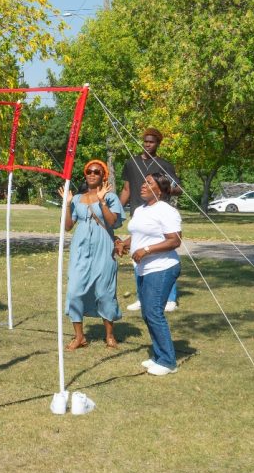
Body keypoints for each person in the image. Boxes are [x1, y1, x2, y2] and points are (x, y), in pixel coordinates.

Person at [115, 173, 182, 376]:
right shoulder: (141, 209)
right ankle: (159, 355)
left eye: (148, 183)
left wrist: (146, 250)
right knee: (147, 313)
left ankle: (169, 362)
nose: (143, 185)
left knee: (154, 312)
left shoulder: (167, 211)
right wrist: (125, 243)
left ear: (159, 190)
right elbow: (138, 233)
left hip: (162, 267)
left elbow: (175, 241)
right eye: (143, 182)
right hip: (144, 268)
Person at [62, 160, 124, 350]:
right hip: (80, 249)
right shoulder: (78, 198)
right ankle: (79, 336)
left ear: (103, 176)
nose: (92, 174)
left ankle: (110, 336)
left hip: (103, 246)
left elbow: (113, 222)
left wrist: (102, 200)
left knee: (105, 291)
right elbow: (68, 226)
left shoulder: (111, 197)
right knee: (73, 291)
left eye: (97, 172)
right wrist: (67, 204)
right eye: (89, 171)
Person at [119, 128, 182, 312]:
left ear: (158, 144)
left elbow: (178, 188)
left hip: (158, 213)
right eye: (145, 141)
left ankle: (170, 298)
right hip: (139, 212)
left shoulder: (164, 164)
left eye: (152, 142)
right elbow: (126, 189)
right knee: (137, 253)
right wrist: (117, 210)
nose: (147, 144)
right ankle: (142, 296)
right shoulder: (131, 163)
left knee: (162, 253)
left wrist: (166, 189)